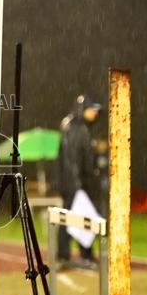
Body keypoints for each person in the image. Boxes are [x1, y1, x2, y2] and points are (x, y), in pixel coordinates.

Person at [53, 94, 101, 267]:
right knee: (72, 218)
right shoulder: (76, 127)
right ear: (82, 109)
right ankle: (69, 255)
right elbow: (72, 159)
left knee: (78, 217)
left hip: (75, 181)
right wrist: (78, 185)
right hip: (75, 182)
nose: (95, 113)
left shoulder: (77, 125)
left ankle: (78, 254)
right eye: (91, 109)